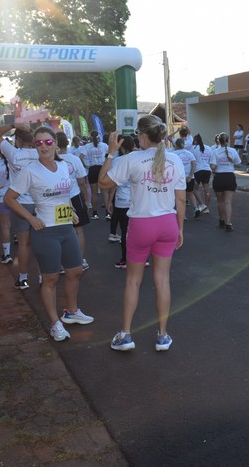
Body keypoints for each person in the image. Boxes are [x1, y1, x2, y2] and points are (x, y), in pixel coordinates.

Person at [98, 115, 186, 352]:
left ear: (142, 135)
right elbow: (181, 199)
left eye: (137, 134)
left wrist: (110, 153)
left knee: (133, 281)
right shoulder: (175, 160)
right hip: (167, 223)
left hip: (141, 224)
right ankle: (163, 336)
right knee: (162, 280)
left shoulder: (131, 159)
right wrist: (180, 229)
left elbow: (103, 183)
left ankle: (126, 335)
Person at [4, 126, 94, 342]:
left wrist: (70, 211)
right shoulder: (30, 171)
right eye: (38, 143)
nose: (43, 146)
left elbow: (64, 195)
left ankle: (71, 311)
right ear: (34, 146)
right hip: (46, 232)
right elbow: (9, 198)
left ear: (56, 143)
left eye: (47, 142)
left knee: (75, 272)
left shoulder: (63, 167)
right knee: (51, 278)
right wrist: (30, 217)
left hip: (66, 228)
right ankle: (55, 323)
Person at [0, 123, 39, 290]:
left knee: (24, 244)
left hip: (19, 204)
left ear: (17, 139)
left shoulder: (13, 153)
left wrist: (12, 124)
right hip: (40, 203)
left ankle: (23, 278)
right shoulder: (41, 152)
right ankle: (42, 277)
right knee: (40, 243)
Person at [56, 132, 91, 271]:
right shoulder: (74, 159)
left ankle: (61, 265)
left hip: (60, 198)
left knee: (62, 231)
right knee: (78, 231)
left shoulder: (52, 160)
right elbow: (82, 182)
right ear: (67, 143)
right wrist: (86, 201)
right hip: (74, 197)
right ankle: (80, 261)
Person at [109, 135, 136, 268]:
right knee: (138, 231)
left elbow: (112, 183)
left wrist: (109, 201)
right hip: (138, 200)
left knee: (125, 231)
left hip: (122, 200)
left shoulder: (117, 160)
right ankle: (143, 258)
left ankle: (125, 259)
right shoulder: (140, 159)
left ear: (122, 147)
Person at [211, 132, 241, 231]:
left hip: (219, 177)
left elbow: (213, 167)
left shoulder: (215, 151)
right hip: (229, 177)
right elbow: (239, 164)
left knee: (220, 201)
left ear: (218, 141)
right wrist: (230, 161)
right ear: (228, 140)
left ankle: (221, 220)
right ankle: (228, 224)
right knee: (228, 202)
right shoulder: (233, 150)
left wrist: (213, 168)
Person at [81, 130, 109, 220]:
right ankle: (108, 213)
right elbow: (109, 156)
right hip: (102, 169)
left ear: (90, 137)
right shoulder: (104, 145)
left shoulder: (87, 146)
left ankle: (95, 213)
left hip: (92, 169)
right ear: (98, 136)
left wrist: (85, 165)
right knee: (105, 192)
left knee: (94, 193)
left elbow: (80, 157)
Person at [171, 137, 199, 218]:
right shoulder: (189, 153)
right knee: (190, 194)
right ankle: (195, 208)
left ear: (176, 145)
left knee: (179, 197)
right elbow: (194, 164)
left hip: (179, 178)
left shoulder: (174, 154)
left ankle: (183, 214)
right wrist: (190, 175)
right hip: (189, 177)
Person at [192, 133, 213, 216]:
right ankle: (207, 208)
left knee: (194, 188)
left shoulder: (194, 148)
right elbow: (211, 159)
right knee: (206, 189)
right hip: (207, 170)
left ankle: (201, 204)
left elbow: (192, 160)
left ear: (196, 140)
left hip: (198, 170)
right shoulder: (208, 148)